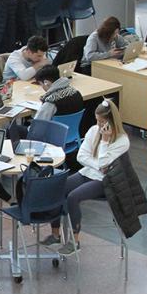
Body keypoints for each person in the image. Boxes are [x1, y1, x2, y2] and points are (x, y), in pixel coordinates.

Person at [53, 100, 130, 253]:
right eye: (97, 120)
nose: (99, 125)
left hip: (106, 180)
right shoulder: (93, 130)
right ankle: (55, 234)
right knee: (58, 188)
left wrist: (105, 142)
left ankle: (75, 241)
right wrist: (98, 166)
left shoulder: (122, 141)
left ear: (111, 121)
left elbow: (103, 161)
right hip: (88, 172)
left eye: (102, 122)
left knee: (73, 197)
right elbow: (81, 156)